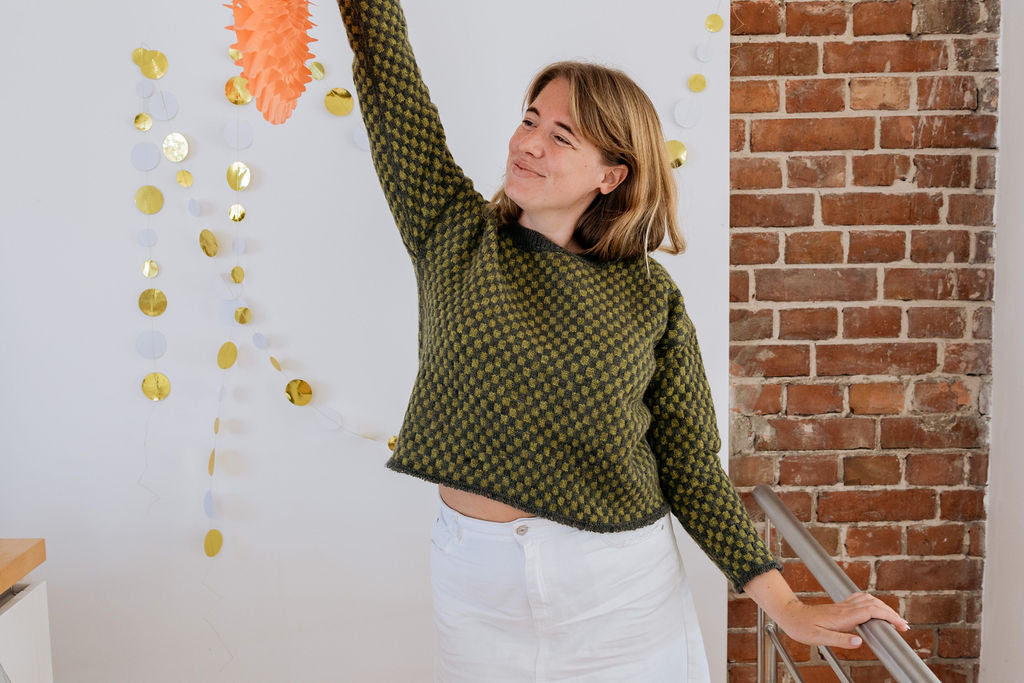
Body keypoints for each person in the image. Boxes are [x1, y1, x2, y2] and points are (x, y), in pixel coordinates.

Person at [336, 1, 909, 680]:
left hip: (618, 593)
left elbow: (690, 466)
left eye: (561, 136)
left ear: (612, 175)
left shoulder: (650, 298)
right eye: (529, 120)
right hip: (476, 590)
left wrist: (785, 605)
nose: (529, 143)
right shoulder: (454, 234)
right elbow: (390, 78)